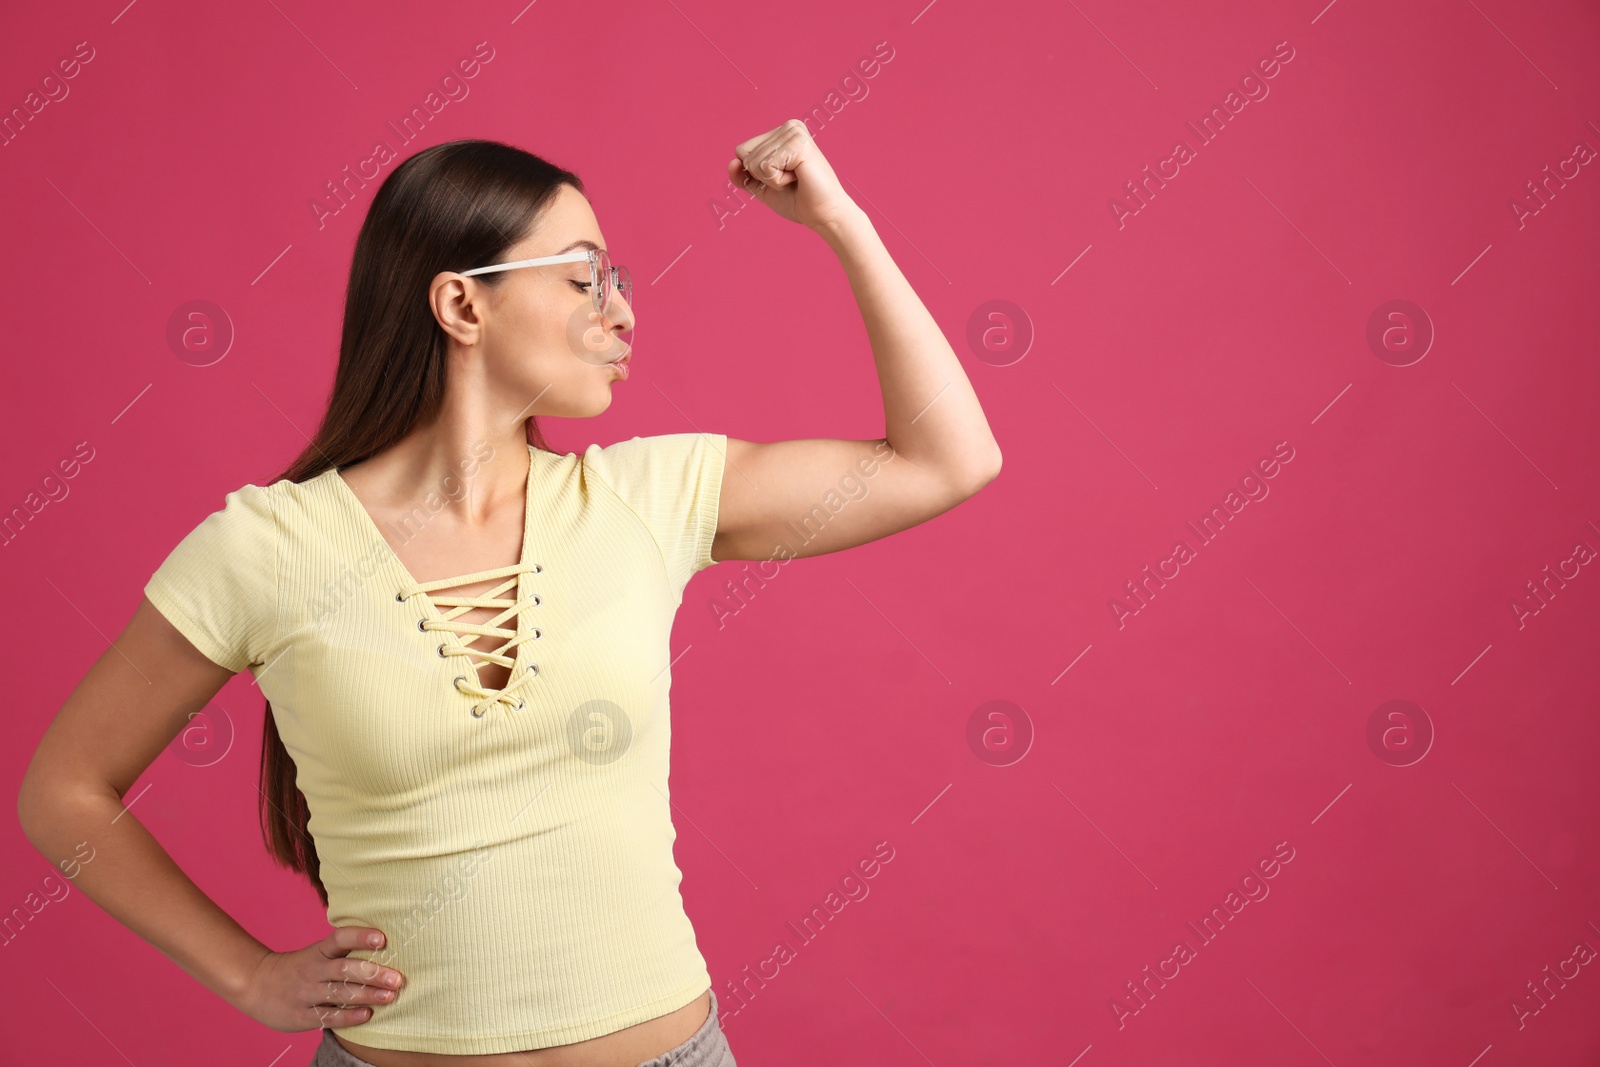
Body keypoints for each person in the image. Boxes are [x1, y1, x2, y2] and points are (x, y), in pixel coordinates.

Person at [16, 123, 1001, 1067]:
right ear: (462, 306)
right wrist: (248, 975)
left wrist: (840, 220)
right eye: (584, 277)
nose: (621, 311)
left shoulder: (650, 496)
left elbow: (946, 459)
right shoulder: (266, 547)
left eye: (616, 282)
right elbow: (63, 790)